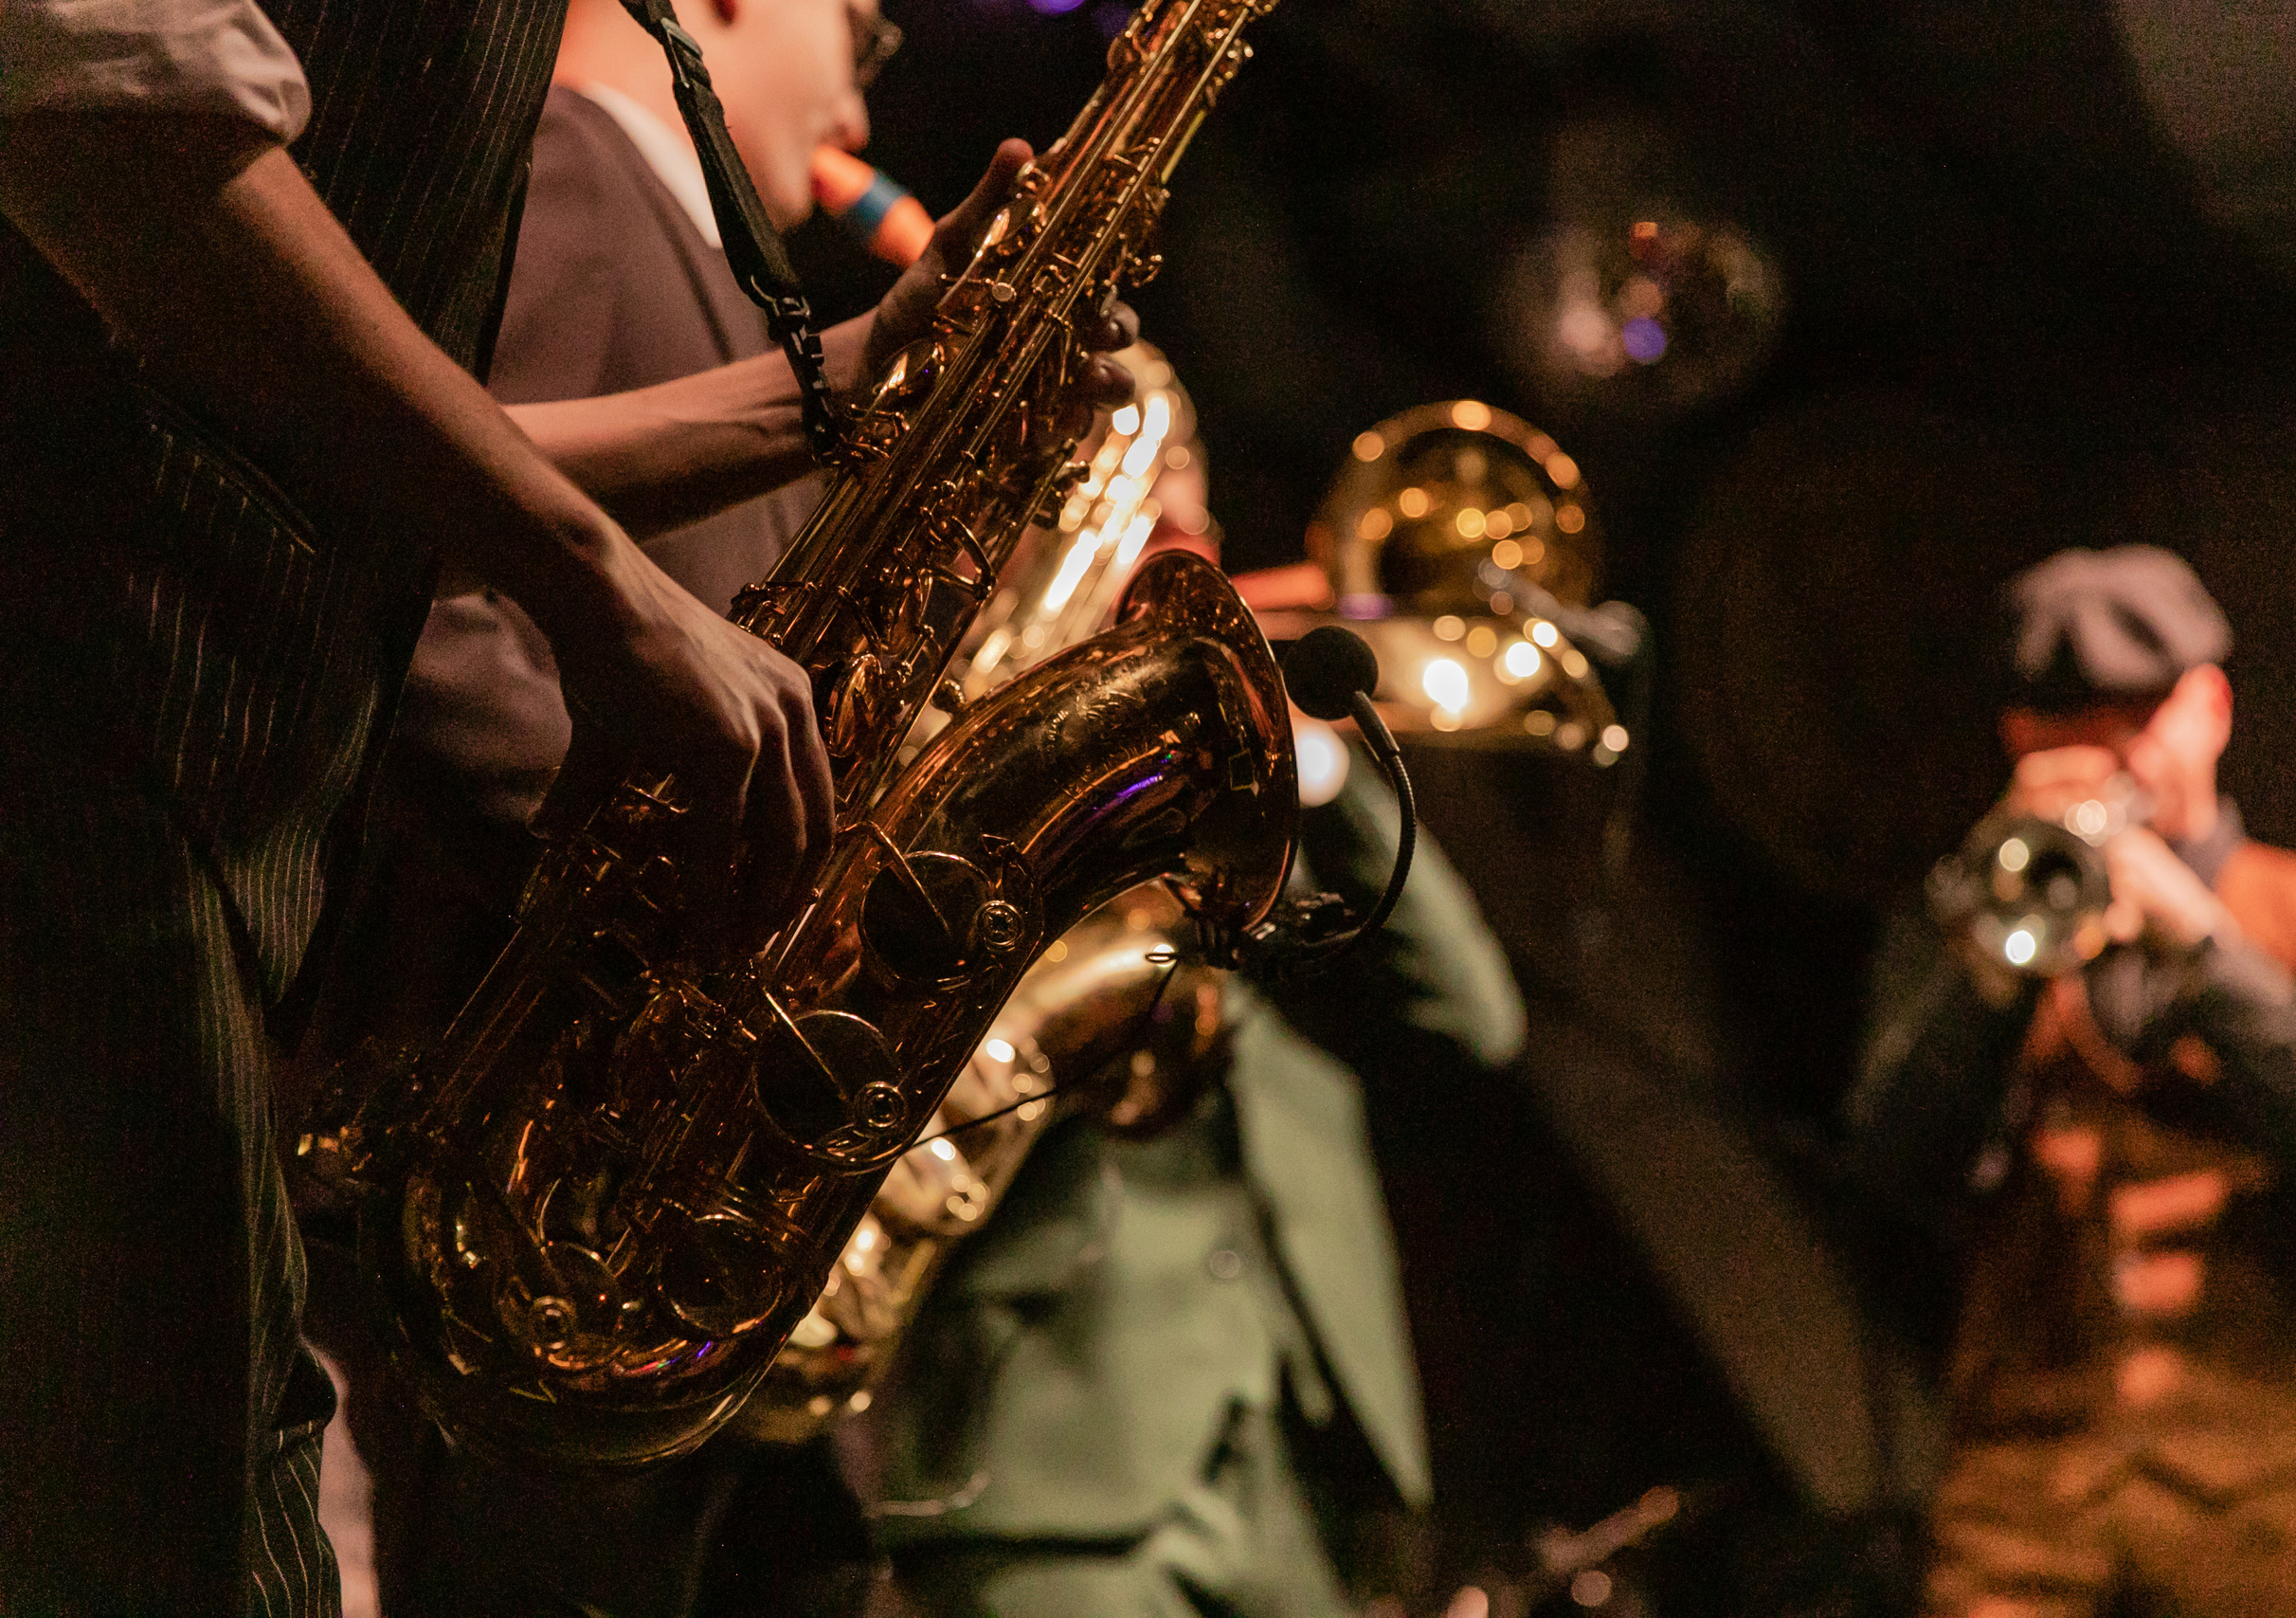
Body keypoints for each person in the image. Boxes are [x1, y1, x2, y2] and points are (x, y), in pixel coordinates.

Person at [0, 1, 1116, 1610]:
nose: (876, 38)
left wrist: (858, 384)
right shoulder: (587, 163)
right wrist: (608, 620)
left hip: (197, 849)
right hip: (83, 772)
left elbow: (382, 436)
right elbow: (105, 121)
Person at [1844, 545, 2296, 1618]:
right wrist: (1991, 969)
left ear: (2210, 707)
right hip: (2019, 1528)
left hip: (2274, 1520)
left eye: (2137, 714)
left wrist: (2201, 946)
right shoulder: (1960, 927)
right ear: (2018, 736)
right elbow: (1887, 1182)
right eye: (2066, 719)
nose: (2107, 751)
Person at [873, 730, 1525, 1612]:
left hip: (1313, 1484)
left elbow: (1478, 1017)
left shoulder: (1301, 883)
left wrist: (1325, 769)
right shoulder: (1028, 805)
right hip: (1058, 1450)